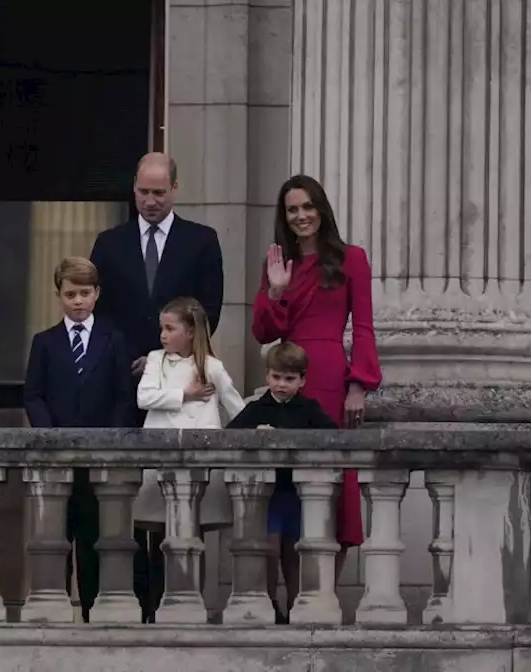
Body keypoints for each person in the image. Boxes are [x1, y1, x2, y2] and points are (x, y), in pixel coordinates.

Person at [252, 174, 383, 585]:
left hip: (328, 376)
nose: (301, 216)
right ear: (284, 216)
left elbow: (363, 326)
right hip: (288, 375)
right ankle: (294, 600)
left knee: (333, 486)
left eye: (308, 207)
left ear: (321, 209)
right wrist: (275, 292)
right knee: (289, 488)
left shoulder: (352, 259)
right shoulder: (277, 264)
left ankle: (322, 593)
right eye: (293, 209)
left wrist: (359, 384)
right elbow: (262, 331)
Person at [22, 256, 133, 621]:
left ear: (97, 294)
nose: (78, 301)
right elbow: (33, 394)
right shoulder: (45, 342)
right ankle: (55, 611)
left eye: (85, 293)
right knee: (54, 539)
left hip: (99, 459)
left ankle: (90, 611)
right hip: (56, 459)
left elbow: (122, 395)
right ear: (59, 295)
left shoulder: (114, 339)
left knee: (93, 538)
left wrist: (109, 441)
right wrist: (50, 436)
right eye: (70, 294)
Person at [133, 296, 245, 623]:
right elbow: (145, 397)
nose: (163, 336)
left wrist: (259, 425)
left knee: (194, 535)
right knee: (157, 533)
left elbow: (235, 406)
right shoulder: (155, 360)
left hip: (199, 464)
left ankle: (195, 602)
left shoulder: (211, 367)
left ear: (191, 331)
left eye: (170, 329)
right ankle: (156, 606)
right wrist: (185, 395)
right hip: (159, 459)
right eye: (162, 329)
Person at [226, 341, 338, 624]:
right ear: (267, 377)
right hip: (269, 494)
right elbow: (230, 435)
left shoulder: (309, 408)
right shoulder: (257, 407)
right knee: (268, 550)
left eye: (289, 379)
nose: (281, 384)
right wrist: (255, 433)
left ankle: (295, 606)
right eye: (276, 377)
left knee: (294, 553)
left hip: (297, 493)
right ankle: (270, 603)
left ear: (302, 380)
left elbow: (332, 436)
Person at [90, 152, 224, 385]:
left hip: (180, 374)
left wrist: (162, 359)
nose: (150, 202)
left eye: (159, 193)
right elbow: (99, 311)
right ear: (134, 187)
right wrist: (123, 357)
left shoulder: (202, 241)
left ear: (174, 188)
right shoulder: (108, 244)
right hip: (120, 375)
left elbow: (208, 311)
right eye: (143, 192)